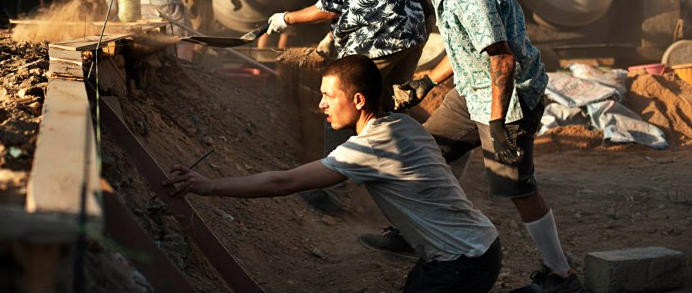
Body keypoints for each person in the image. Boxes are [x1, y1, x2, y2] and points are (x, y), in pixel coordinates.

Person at [165, 55, 502, 293]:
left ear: (358, 100)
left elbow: (283, 182)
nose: (321, 104)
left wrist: (208, 186)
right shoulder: (402, 124)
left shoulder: (368, 147)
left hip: (462, 261)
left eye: (329, 96)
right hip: (477, 246)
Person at [396, 0, 582, 293]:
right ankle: (413, 234)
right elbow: (464, 47)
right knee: (426, 151)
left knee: (516, 186)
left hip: (508, 98)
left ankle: (561, 275)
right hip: (473, 90)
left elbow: (502, 60)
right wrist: (426, 82)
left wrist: (497, 125)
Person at [266, 0, 428, 215]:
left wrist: (286, 19)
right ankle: (420, 175)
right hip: (411, 33)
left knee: (339, 105)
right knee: (387, 110)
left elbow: (329, 8)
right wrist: (333, 40)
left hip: (377, 41)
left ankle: (334, 194)